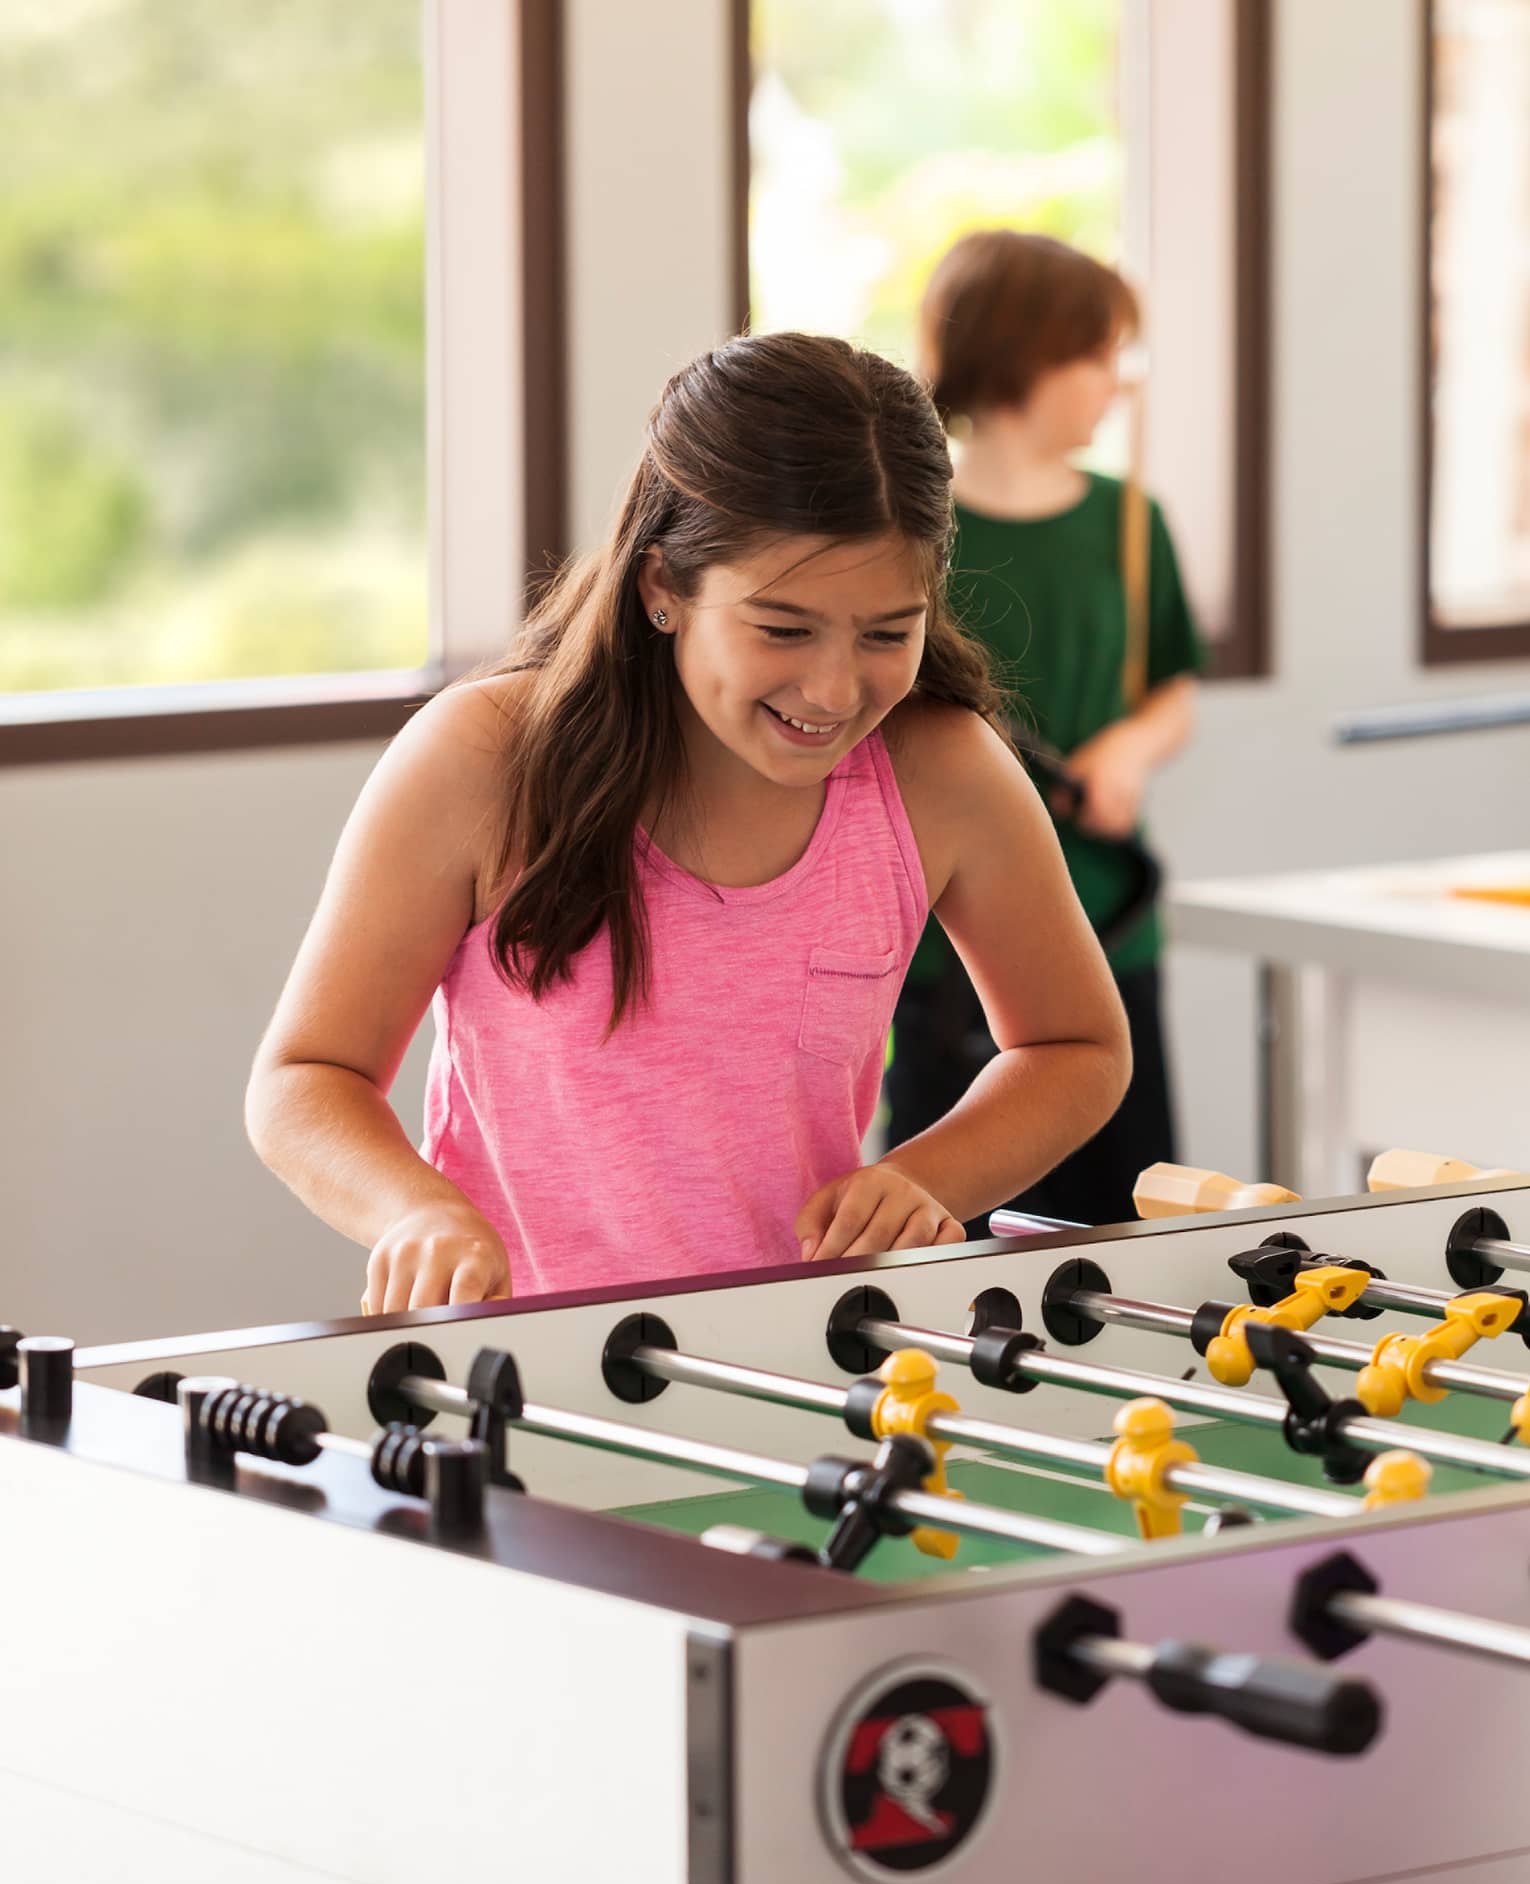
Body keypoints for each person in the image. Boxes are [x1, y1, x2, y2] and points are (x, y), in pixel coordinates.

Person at [245, 332, 1130, 1312]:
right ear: (664, 586)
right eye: (782, 627)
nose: (835, 689)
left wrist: (927, 1178)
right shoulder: (481, 759)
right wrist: (416, 1210)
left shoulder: (942, 770)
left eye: (889, 632)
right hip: (520, 1366)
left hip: (808, 1363)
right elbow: (306, 1075)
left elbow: (1077, 1044)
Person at [885, 231, 1202, 1227]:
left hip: (1108, 920)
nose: (1116, 384)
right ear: (1031, 355)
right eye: (1099, 356)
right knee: (940, 1240)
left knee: (1127, 1221)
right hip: (943, 946)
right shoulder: (906, 529)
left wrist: (1129, 750)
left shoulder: (1129, 521)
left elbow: (1172, 686)